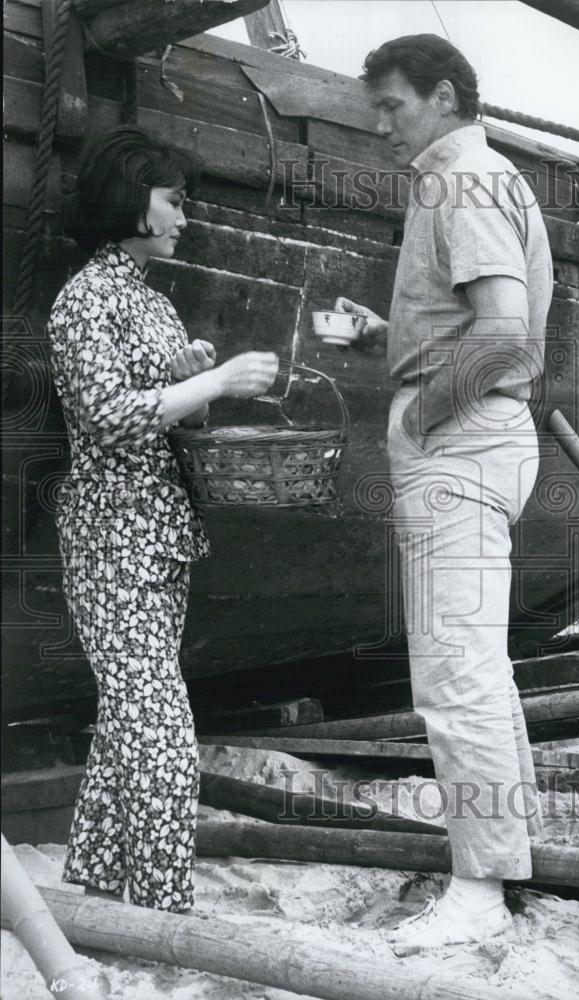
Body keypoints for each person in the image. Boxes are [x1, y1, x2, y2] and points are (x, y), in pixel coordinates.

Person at [335, 35, 553, 953]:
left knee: (455, 678)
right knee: (482, 670)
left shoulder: (458, 181)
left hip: (460, 446)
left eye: (393, 106)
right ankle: (513, 848)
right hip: (487, 438)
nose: (379, 124)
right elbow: (486, 321)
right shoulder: (487, 174)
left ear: (446, 96)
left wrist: (424, 415)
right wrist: (395, 338)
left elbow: (502, 334)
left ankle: (480, 889)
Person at [48, 126, 279, 912]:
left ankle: (91, 887)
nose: (186, 216)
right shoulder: (83, 299)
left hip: (162, 532)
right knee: (160, 729)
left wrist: (193, 385)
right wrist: (212, 377)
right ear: (130, 199)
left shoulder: (150, 300)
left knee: (129, 723)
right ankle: (163, 905)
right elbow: (107, 418)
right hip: (113, 536)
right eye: (174, 200)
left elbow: (182, 429)